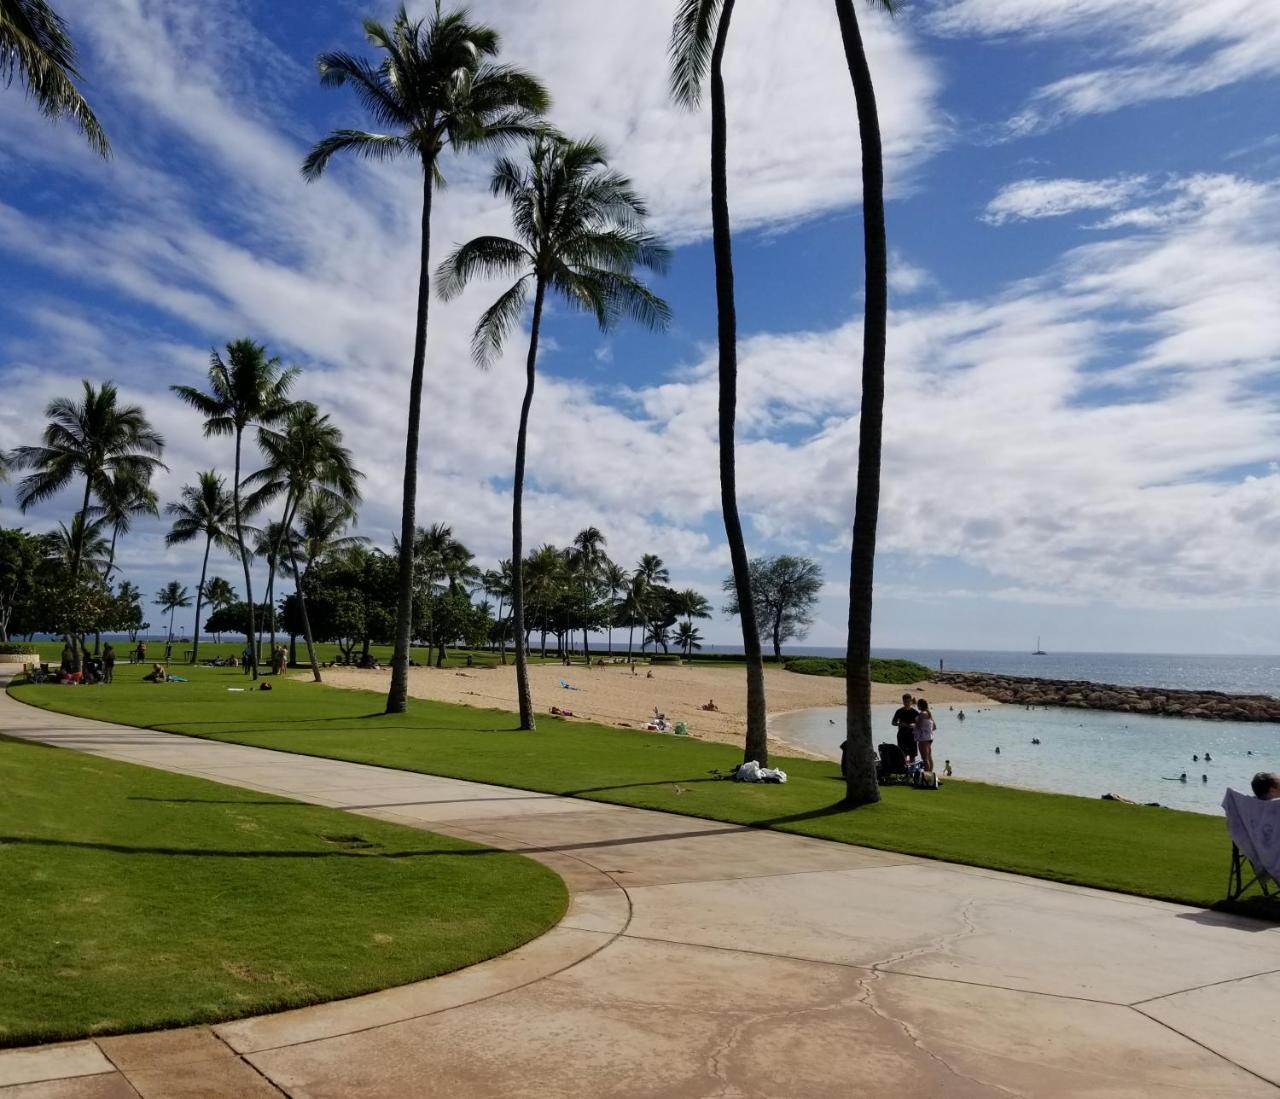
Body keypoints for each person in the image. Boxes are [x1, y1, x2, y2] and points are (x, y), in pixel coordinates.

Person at [891, 693, 918, 763]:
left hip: (912, 736)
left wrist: (914, 725)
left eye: (908, 701)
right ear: (903, 701)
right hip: (901, 735)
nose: (907, 703)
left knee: (913, 755)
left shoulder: (915, 712)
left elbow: (920, 724)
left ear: (911, 701)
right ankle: (904, 770)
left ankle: (912, 771)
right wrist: (899, 724)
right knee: (902, 755)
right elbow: (893, 723)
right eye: (905, 701)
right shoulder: (899, 711)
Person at [913, 698, 936, 772]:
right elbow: (934, 727)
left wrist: (911, 725)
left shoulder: (922, 714)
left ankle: (927, 775)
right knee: (929, 757)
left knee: (924, 758)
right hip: (929, 737)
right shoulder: (929, 714)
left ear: (919, 705)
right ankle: (930, 773)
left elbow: (918, 726)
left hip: (923, 738)